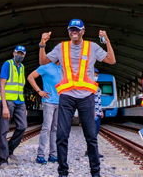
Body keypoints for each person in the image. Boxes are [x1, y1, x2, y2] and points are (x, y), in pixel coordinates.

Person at [39, 19, 116, 177]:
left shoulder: (92, 47)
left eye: (77, 29)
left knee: (91, 136)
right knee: (61, 136)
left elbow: (111, 60)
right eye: (71, 29)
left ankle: (95, 172)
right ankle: (63, 172)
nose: (74, 32)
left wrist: (107, 41)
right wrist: (42, 44)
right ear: (68, 31)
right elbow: (43, 61)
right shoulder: (61, 47)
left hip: (86, 97)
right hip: (66, 96)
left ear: (83, 31)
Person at [27, 55, 62, 164]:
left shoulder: (63, 68)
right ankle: (40, 155)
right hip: (48, 102)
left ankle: (53, 155)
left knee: (55, 129)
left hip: (60, 102)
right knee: (46, 127)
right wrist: (39, 91)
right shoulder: (45, 66)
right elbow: (30, 77)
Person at [0, 46, 28, 169]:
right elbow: (2, 85)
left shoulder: (22, 67)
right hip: (8, 101)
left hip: (20, 101)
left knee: (23, 126)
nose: (19, 55)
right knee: (4, 131)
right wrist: (4, 106)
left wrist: (24, 105)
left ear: (24, 55)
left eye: (22, 54)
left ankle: (9, 150)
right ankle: (3, 160)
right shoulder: (7, 64)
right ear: (14, 53)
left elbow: (20, 87)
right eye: (18, 53)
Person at [92, 69, 104, 158]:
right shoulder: (89, 86)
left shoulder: (97, 87)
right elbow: (89, 100)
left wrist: (101, 110)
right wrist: (93, 111)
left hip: (98, 112)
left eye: (96, 74)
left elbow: (98, 100)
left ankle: (91, 150)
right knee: (93, 132)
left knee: (95, 132)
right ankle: (93, 151)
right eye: (94, 74)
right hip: (93, 113)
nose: (95, 76)